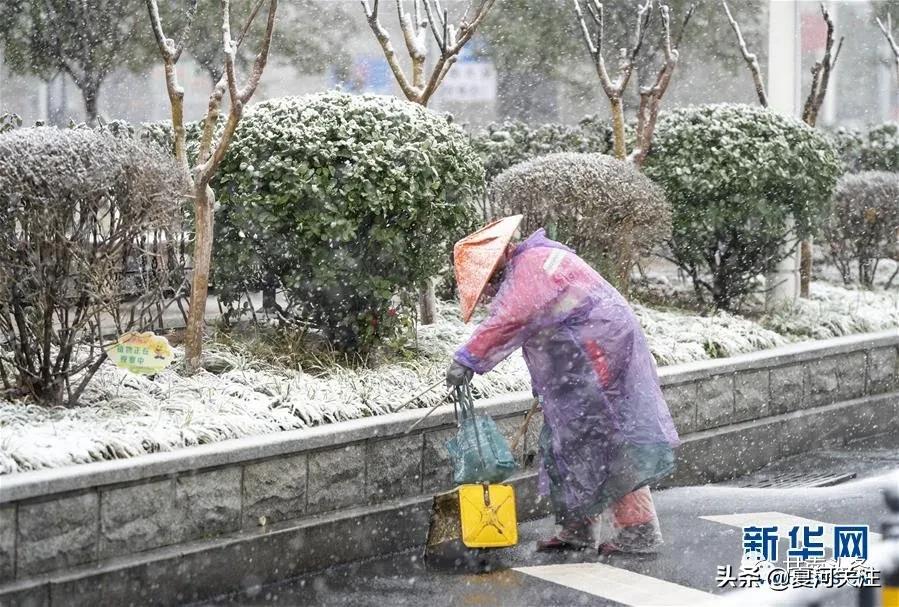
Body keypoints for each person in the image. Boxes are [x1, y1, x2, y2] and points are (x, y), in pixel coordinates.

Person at [445, 215, 680, 554]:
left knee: (605, 444)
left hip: (595, 355)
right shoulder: (537, 260)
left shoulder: (530, 267)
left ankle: (637, 532)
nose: (491, 290)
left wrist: (467, 359)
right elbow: (544, 325)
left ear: (500, 260)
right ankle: (577, 528)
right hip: (591, 353)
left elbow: (511, 319)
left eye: (490, 281)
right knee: (563, 441)